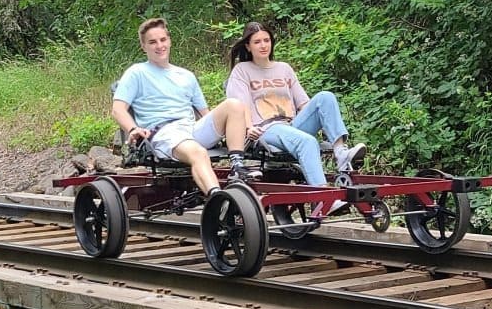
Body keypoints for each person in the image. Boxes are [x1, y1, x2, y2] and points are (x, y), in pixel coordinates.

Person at [112, 18, 261, 197]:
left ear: (169, 41)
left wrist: (234, 128)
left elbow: (206, 114)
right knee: (198, 152)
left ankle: (237, 167)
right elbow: (118, 109)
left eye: (163, 40)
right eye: (152, 42)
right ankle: (217, 199)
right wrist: (133, 129)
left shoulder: (186, 76)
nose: (159, 45)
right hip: (164, 133)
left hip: (191, 130)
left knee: (234, 105)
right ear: (144, 46)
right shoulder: (136, 72)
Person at [226, 21, 366, 192]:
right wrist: (248, 127)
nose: (263, 45)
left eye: (266, 40)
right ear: (248, 46)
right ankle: (323, 194)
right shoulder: (242, 70)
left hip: (291, 125)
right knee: (307, 141)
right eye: (257, 42)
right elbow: (239, 105)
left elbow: (303, 103)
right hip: (266, 129)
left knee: (325, 97)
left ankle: (341, 154)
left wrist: (319, 118)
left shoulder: (284, 68)